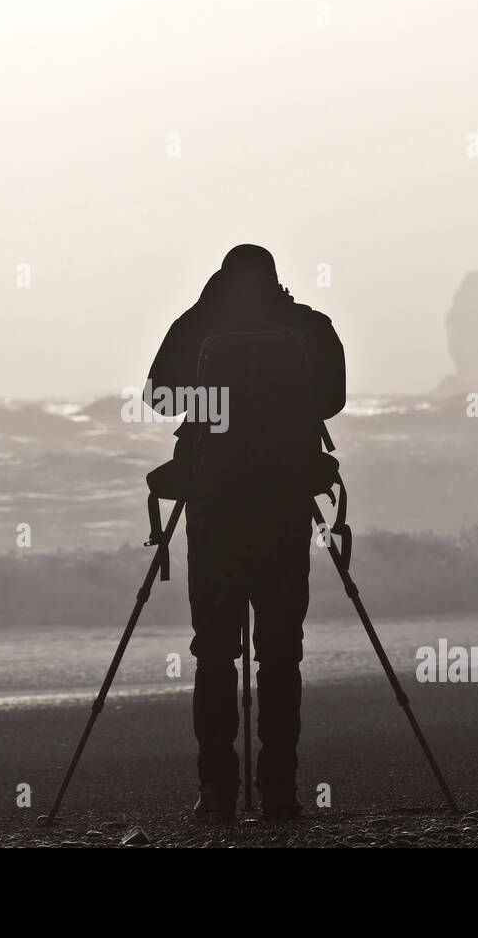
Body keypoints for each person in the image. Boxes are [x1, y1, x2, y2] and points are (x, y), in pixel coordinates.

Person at [146, 244, 345, 821]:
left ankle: (217, 793)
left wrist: (216, 398)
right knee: (281, 653)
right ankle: (280, 790)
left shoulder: (199, 323)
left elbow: (158, 397)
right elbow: (332, 401)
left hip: (216, 505)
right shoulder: (308, 325)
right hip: (283, 503)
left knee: (213, 651)